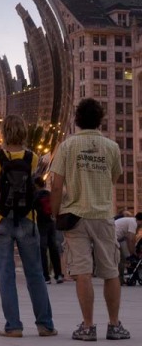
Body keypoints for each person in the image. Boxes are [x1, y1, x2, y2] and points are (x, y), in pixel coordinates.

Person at [50, 98, 129, 341]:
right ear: (100, 120)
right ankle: (114, 325)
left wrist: (55, 214)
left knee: (82, 271)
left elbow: (56, 184)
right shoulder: (111, 147)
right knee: (110, 271)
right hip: (104, 215)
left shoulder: (67, 146)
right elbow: (114, 177)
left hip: (75, 216)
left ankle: (87, 326)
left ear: (77, 120)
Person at [0, 115, 56, 338]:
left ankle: (13, 326)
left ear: (4, 132)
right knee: (35, 272)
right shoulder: (31, 157)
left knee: (6, 275)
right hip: (27, 218)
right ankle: (45, 325)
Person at [33, 176, 63, 284]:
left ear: (36, 185)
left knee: (42, 249)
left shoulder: (36, 195)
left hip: (41, 224)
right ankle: (58, 274)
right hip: (51, 222)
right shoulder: (49, 194)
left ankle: (46, 277)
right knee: (53, 248)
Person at [114, 214, 142, 284]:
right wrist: (133, 253)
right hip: (112, 238)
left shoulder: (130, 221)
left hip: (116, 238)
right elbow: (131, 239)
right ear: (140, 220)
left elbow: (129, 240)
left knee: (122, 260)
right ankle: (117, 280)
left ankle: (120, 279)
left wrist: (132, 252)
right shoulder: (133, 222)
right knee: (119, 259)